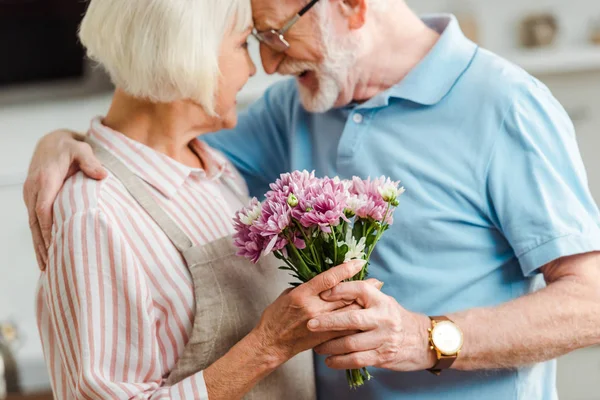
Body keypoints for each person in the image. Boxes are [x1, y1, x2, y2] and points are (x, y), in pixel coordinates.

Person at [25, 0, 600, 399]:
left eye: (274, 34)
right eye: (253, 40)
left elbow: (590, 302)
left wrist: (428, 338)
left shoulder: (506, 105)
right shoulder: (295, 108)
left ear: (350, 7)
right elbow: (156, 129)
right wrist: (63, 144)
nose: (269, 65)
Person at [32, 0, 374, 398]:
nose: (253, 68)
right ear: (188, 52)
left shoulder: (218, 169)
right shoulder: (94, 216)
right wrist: (269, 346)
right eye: (243, 44)